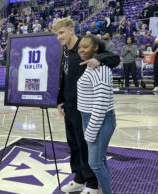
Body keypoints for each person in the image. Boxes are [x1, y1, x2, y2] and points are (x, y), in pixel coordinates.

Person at [52, 18, 120, 194]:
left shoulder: (85, 48)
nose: (59, 37)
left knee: (84, 145)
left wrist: (98, 59)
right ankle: (79, 178)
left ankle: (92, 182)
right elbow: (65, 78)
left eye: (61, 33)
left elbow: (114, 57)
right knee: (73, 144)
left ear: (71, 30)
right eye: (56, 34)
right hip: (69, 106)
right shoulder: (65, 52)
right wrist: (60, 100)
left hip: (85, 108)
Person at [77, 34, 116, 194]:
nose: (81, 50)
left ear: (96, 48)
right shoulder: (90, 65)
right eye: (80, 47)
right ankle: (103, 190)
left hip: (99, 120)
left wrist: (91, 130)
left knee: (95, 164)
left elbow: (101, 103)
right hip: (89, 117)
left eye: (85, 47)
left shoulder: (101, 69)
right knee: (99, 160)